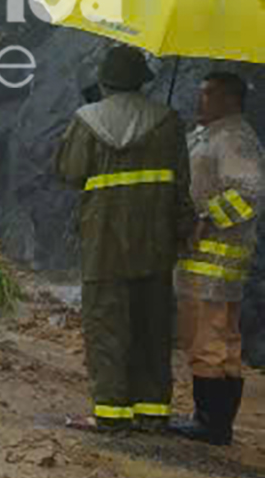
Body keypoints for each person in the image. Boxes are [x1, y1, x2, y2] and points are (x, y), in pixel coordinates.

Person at [53, 41, 195, 430]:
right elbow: (182, 184)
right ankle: (152, 413)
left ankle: (111, 413)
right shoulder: (167, 121)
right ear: (142, 82)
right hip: (155, 240)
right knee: (152, 324)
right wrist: (184, 231)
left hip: (104, 242)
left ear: (105, 81)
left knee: (107, 324)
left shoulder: (87, 120)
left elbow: (68, 170)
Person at [171, 69, 261, 445]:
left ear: (230, 99)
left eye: (208, 94)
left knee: (207, 337)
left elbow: (251, 191)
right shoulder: (214, 134)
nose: (199, 99)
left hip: (214, 262)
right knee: (222, 340)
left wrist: (207, 219)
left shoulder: (233, 137)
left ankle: (209, 422)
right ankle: (214, 421)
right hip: (207, 263)